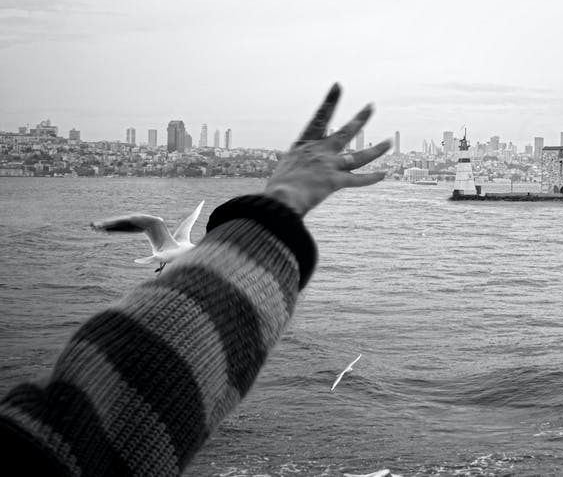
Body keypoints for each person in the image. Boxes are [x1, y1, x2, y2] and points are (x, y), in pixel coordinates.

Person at [0, 84, 391, 476]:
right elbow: (156, 355)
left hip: (178, 267)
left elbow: (107, 395)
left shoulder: (40, 442)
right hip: (176, 263)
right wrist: (281, 209)